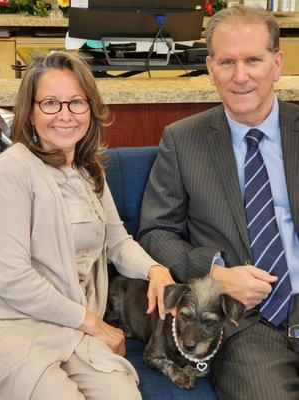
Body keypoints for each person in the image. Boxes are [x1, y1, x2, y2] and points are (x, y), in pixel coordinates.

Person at [138, 5, 299, 400]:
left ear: (277, 64)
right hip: (245, 326)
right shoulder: (182, 140)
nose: (240, 76)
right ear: (210, 68)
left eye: (253, 60)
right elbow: (156, 231)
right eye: (227, 61)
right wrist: (214, 273)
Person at [0, 51, 175, 400]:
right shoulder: (12, 170)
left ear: (90, 109)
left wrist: (156, 269)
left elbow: (117, 242)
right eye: (50, 103)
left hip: (76, 331)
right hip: (19, 328)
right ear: (30, 112)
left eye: (76, 102)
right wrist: (95, 323)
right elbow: (12, 278)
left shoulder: (87, 169)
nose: (65, 115)